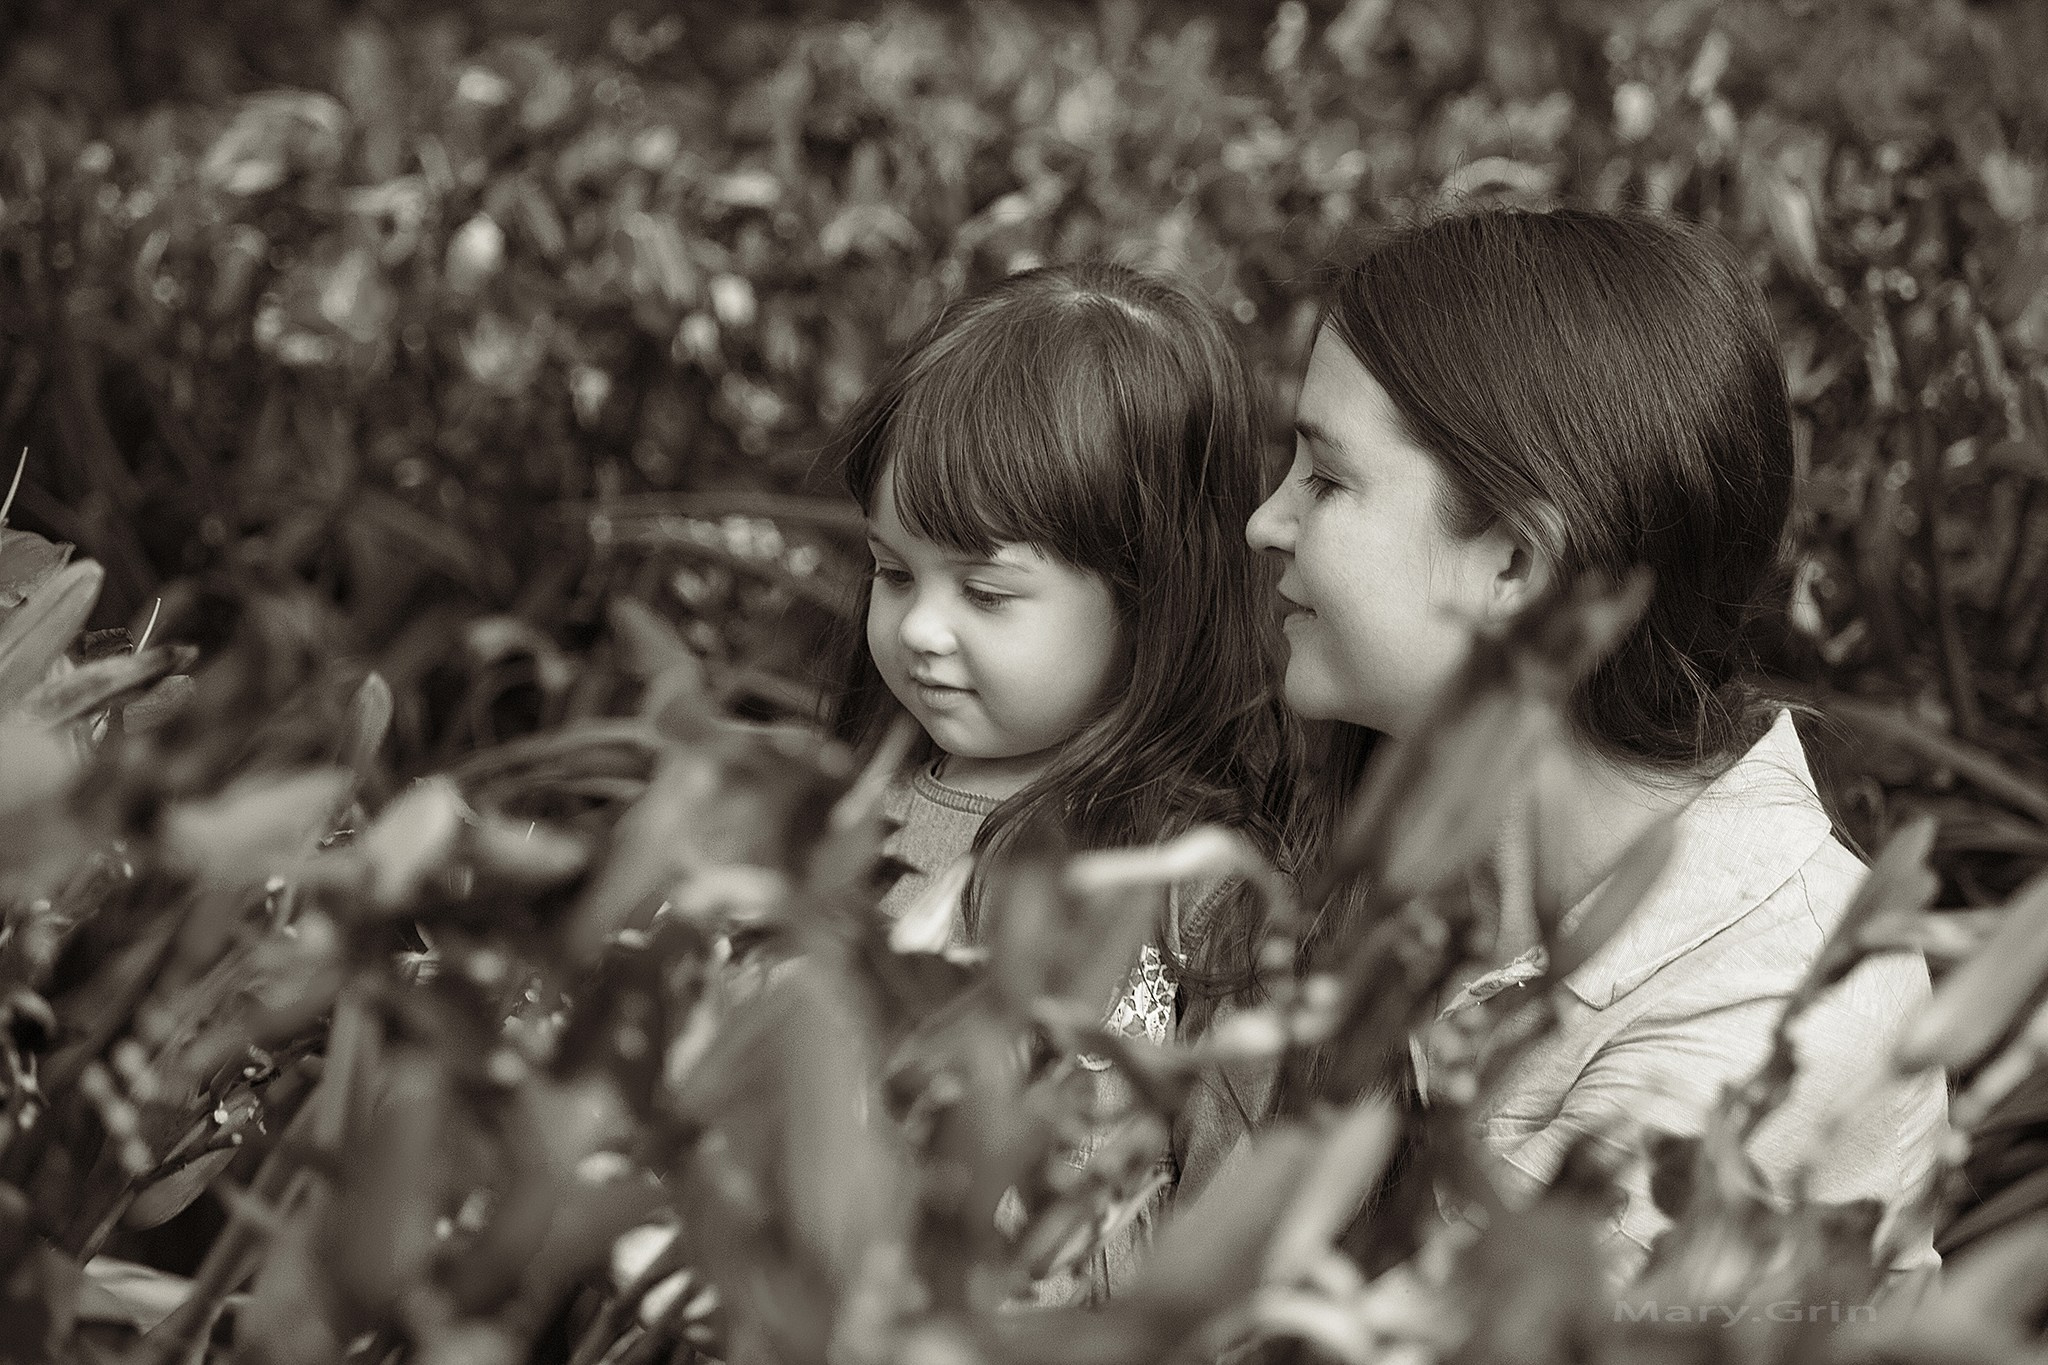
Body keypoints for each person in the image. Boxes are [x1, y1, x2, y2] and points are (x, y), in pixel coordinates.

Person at [1192, 206, 1947, 1287]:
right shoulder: (1393, 840)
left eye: (1325, 478)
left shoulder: (1770, 1027)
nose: (1264, 522)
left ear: (1511, 566)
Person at [827, 260, 1291, 1299]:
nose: (920, 630)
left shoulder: (1197, 890)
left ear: (1148, 596)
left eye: (986, 593)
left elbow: (1236, 1229)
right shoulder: (840, 820)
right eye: (892, 573)